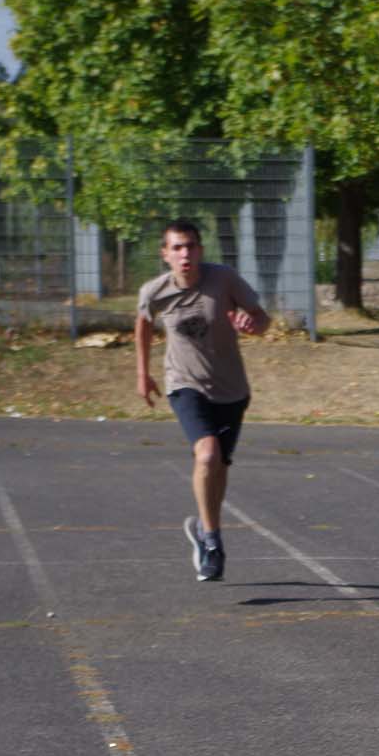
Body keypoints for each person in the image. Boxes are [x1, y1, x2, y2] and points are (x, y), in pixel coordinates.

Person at [135, 219, 270, 582]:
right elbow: (144, 323)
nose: (185, 254)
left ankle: (203, 528)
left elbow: (262, 319)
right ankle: (213, 543)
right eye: (177, 248)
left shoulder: (224, 280)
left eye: (191, 246)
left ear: (200, 250)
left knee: (219, 466)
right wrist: (142, 373)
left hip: (231, 389)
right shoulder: (155, 291)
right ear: (165, 254)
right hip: (184, 384)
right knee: (206, 454)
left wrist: (251, 323)